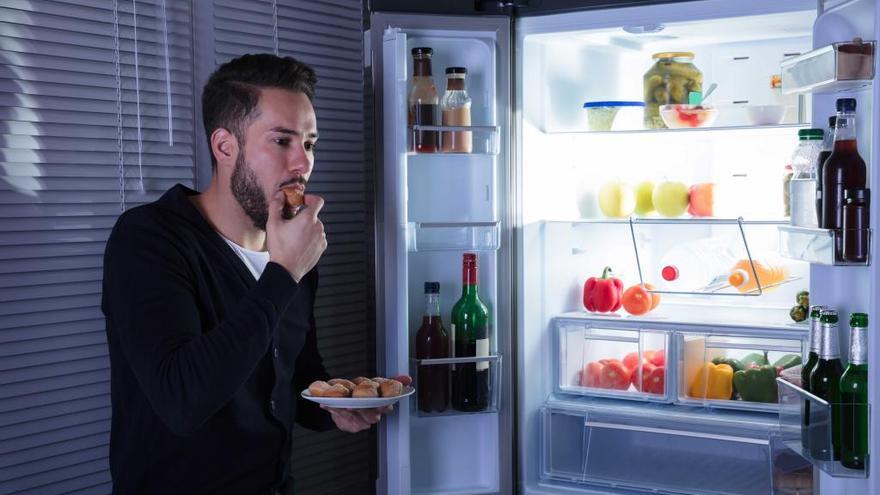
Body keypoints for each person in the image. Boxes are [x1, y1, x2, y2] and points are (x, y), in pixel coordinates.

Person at [101, 53, 407, 495]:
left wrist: (335, 407)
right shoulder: (148, 240)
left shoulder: (291, 247)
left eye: (310, 143)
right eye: (282, 141)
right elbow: (183, 400)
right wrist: (284, 271)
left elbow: (292, 376)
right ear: (226, 147)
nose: (302, 163)